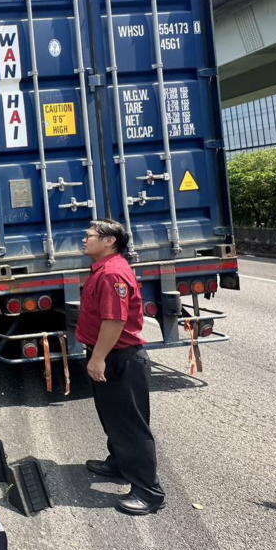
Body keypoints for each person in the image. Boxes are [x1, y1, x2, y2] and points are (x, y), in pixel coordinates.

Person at [79, 219, 165, 515]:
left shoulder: (112, 273)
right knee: (113, 417)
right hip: (113, 354)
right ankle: (119, 463)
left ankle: (148, 491)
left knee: (130, 425)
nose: (84, 240)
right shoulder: (103, 269)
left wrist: (98, 357)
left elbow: (114, 321)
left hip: (121, 357)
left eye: (89, 236)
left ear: (109, 242)